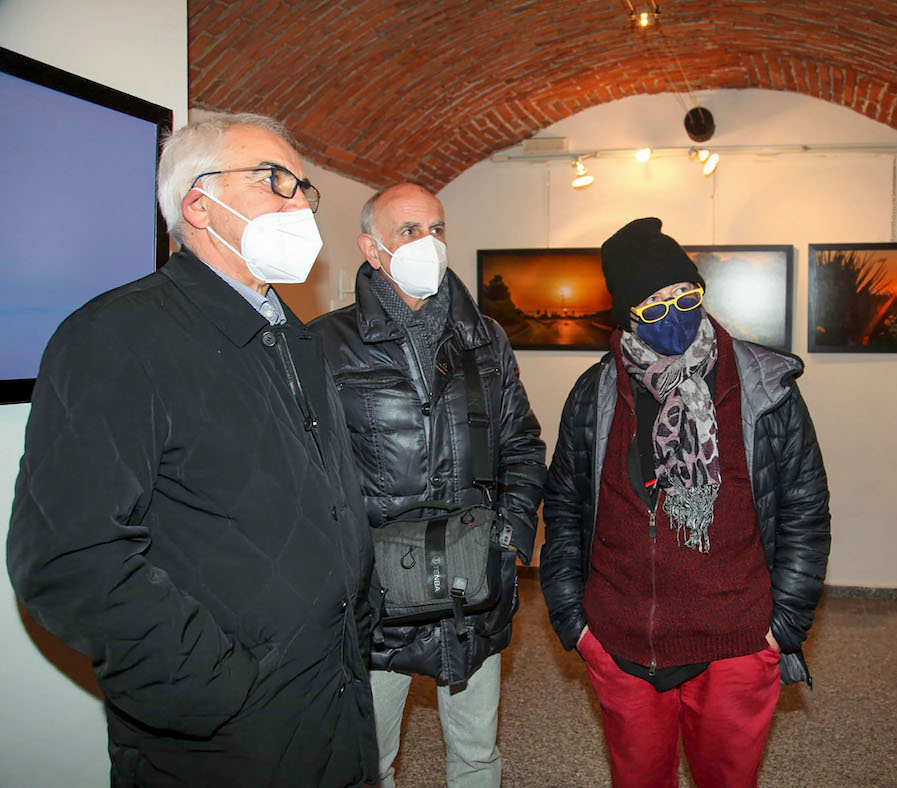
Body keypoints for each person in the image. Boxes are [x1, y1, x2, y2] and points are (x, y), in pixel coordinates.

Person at [6, 112, 378, 787]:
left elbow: (324, 500)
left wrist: (358, 613)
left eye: (302, 187)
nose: (300, 203)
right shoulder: (117, 336)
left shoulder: (296, 338)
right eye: (274, 180)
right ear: (199, 205)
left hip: (331, 691)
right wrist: (212, 684)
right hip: (223, 732)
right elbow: (68, 556)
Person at [540, 217, 831, 787]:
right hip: (621, 637)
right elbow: (566, 508)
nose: (675, 313)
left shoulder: (765, 387)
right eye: (654, 305)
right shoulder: (593, 394)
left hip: (737, 640)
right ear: (627, 314)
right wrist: (574, 620)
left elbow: (804, 507)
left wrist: (783, 625)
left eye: (685, 295)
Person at [310, 183, 545, 787]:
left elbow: (522, 443)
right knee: (369, 757)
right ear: (372, 248)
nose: (428, 243)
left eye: (436, 229)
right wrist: (340, 565)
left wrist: (512, 536)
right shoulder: (325, 344)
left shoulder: (484, 338)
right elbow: (307, 469)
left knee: (476, 750)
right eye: (409, 231)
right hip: (377, 592)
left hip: (472, 580)